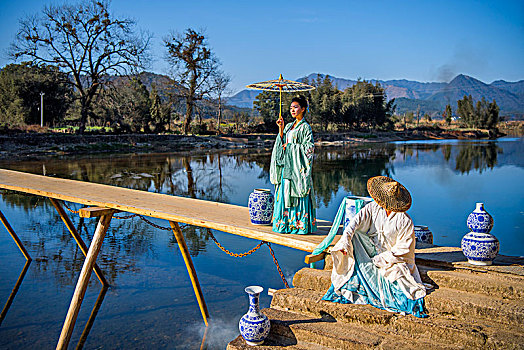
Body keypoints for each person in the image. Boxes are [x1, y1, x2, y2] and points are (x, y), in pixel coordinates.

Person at [322, 176, 427, 317]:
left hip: (391, 259)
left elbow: (404, 249)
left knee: (399, 280)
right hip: (371, 248)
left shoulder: (405, 221)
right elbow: (353, 225)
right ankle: (354, 281)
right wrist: (345, 242)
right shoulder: (372, 208)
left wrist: (382, 258)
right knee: (356, 235)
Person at [269, 95, 316, 235]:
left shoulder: (305, 128)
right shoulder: (289, 126)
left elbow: (309, 149)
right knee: (283, 193)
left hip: (297, 170)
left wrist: (290, 147)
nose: (292, 110)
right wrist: (281, 128)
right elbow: (281, 143)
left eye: (295, 107)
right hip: (287, 168)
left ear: (303, 109)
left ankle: (299, 225)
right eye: (291, 108)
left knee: (298, 193)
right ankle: (285, 224)